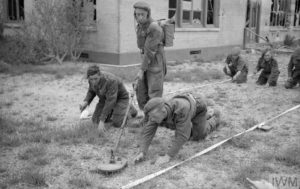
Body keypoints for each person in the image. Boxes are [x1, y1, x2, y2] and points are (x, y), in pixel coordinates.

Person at [134, 94, 221, 165]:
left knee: (198, 136)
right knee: (184, 127)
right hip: (186, 112)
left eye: (153, 116)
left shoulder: (181, 110)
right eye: (150, 116)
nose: (151, 119)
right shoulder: (156, 114)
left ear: (163, 111)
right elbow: (148, 132)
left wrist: (168, 156)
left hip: (198, 108)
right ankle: (203, 119)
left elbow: (182, 136)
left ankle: (215, 118)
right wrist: (142, 152)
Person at [79, 65, 137, 133]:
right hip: (104, 99)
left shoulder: (111, 80)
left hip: (120, 99)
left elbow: (110, 101)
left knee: (118, 123)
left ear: (100, 75)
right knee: (95, 120)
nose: (93, 81)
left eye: (95, 79)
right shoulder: (91, 79)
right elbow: (91, 91)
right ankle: (114, 110)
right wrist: (86, 101)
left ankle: (129, 108)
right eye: (91, 79)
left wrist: (102, 120)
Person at [133, 1, 167, 111]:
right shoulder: (140, 26)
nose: (139, 17)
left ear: (148, 14)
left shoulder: (154, 28)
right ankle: (146, 115)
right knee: (140, 88)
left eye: (142, 14)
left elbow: (149, 51)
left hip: (155, 61)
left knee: (154, 90)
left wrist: (141, 70)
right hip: (145, 59)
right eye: (137, 14)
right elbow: (142, 48)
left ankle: (155, 119)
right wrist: (142, 68)